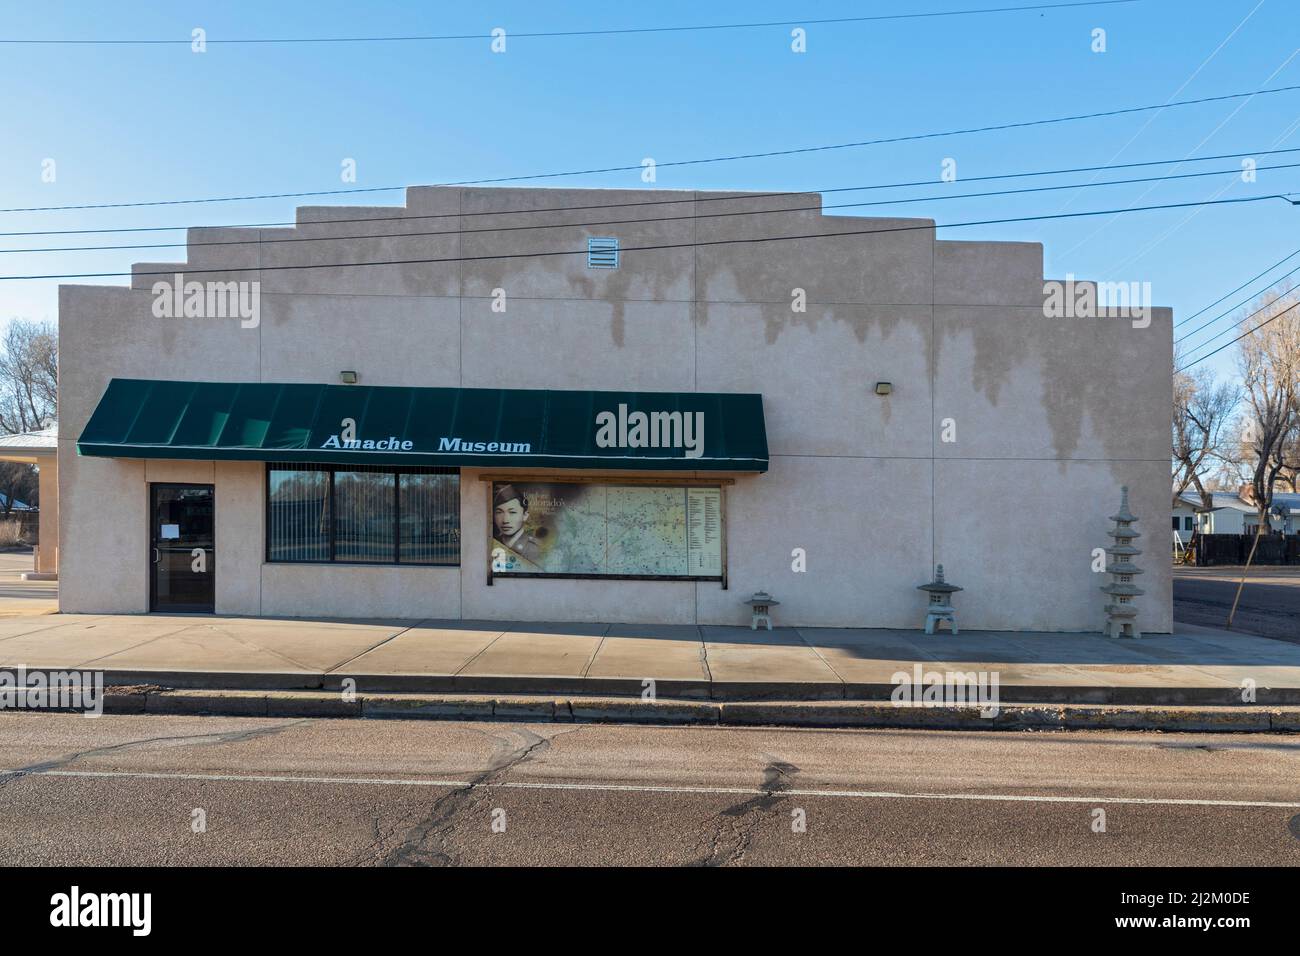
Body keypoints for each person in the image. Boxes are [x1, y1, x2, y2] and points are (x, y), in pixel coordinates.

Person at [492, 483, 544, 567]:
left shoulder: (535, 548)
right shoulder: (493, 542)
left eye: (512, 512)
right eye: (499, 512)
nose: (505, 520)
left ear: (525, 515)